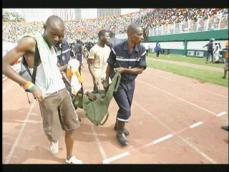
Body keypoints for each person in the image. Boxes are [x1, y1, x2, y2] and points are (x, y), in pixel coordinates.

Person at [2, 15, 82, 164]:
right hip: (47, 96)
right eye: (54, 34)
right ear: (44, 28)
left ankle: (70, 157)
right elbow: (4, 65)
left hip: (62, 90)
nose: (58, 38)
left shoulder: (51, 44)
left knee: (72, 127)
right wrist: (29, 86)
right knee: (54, 134)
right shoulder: (31, 42)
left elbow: (49, 68)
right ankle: (53, 138)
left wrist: (67, 67)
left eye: (61, 35)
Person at [103, 23, 147, 146]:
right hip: (118, 83)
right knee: (125, 109)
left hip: (131, 83)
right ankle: (120, 133)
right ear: (130, 35)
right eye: (139, 34)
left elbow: (140, 69)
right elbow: (110, 65)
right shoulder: (116, 48)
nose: (142, 37)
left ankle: (118, 125)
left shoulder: (142, 50)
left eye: (142, 34)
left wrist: (125, 70)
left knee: (126, 107)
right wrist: (106, 79)